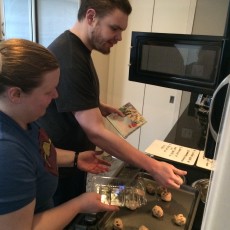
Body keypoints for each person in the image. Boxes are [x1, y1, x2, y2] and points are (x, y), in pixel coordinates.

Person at [38, 0, 187, 206]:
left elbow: (69, 96)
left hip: (74, 161)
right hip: (58, 168)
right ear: (91, 17)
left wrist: (96, 106)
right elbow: (96, 132)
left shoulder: (76, 48)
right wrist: (153, 166)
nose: (119, 38)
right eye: (114, 28)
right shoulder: (71, 58)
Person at [0, 38, 119, 230]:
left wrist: (75, 158)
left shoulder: (24, 119)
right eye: (48, 91)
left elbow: (38, 153)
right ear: (16, 95)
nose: (56, 95)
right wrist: (79, 204)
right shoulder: (6, 153)